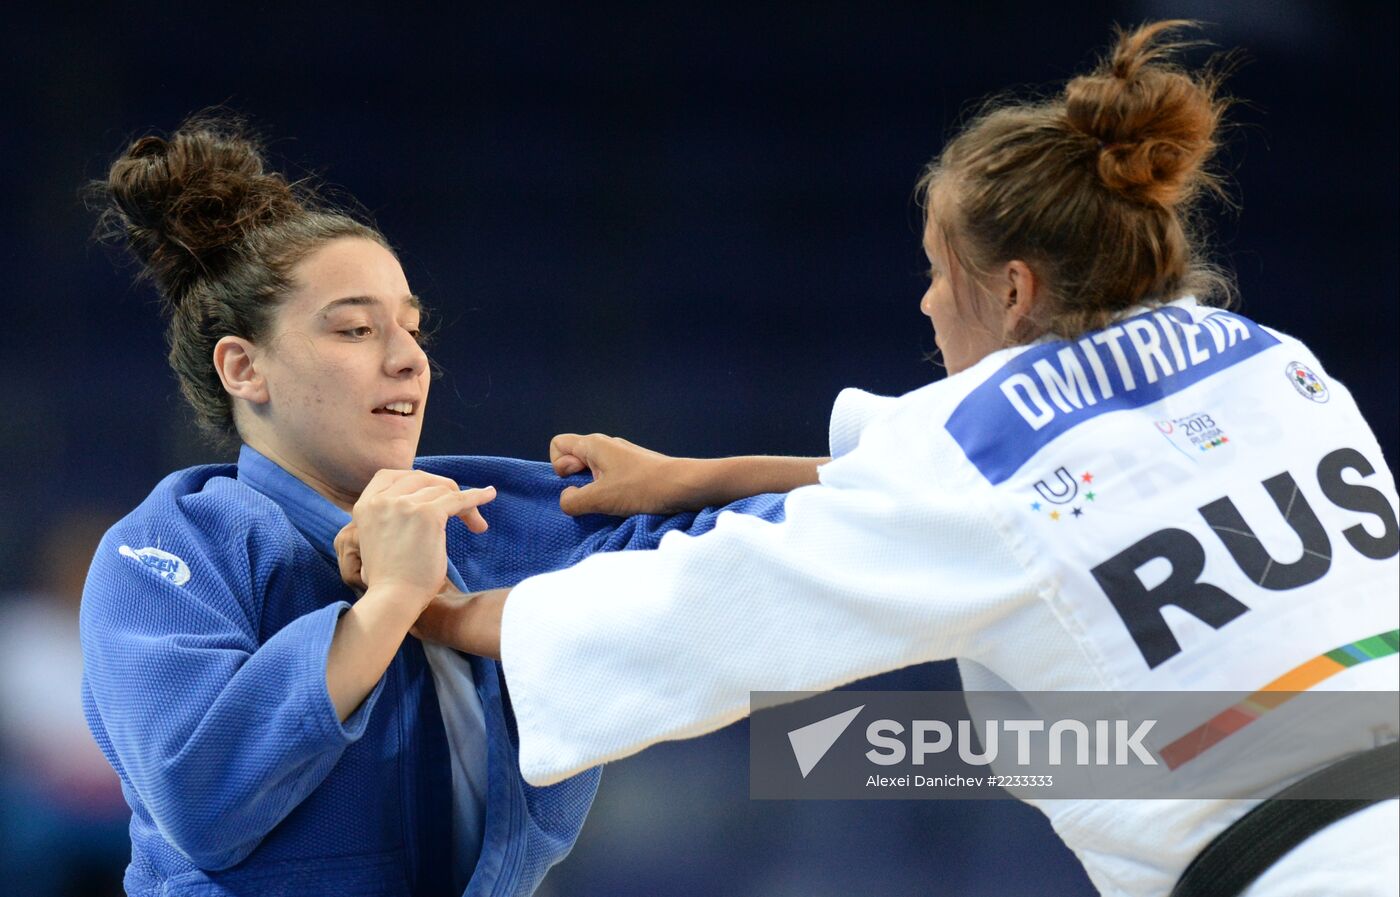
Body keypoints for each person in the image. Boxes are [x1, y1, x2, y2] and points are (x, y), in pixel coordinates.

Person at [340, 22, 1400, 896]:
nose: (928, 304)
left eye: (939, 274)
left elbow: (706, 609)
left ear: (1016, 291)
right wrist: (694, 478)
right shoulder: (1260, 363)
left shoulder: (977, 467)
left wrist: (426, 605)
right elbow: (1010, 502)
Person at [78, 115, 798, 897]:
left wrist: (692, 479)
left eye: (412, 329)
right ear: (244, 367)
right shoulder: (172, 546)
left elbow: (855, 530)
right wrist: (389, 602)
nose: (408, 358)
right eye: (355, 328)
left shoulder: (497, 518)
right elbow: (202, 794)